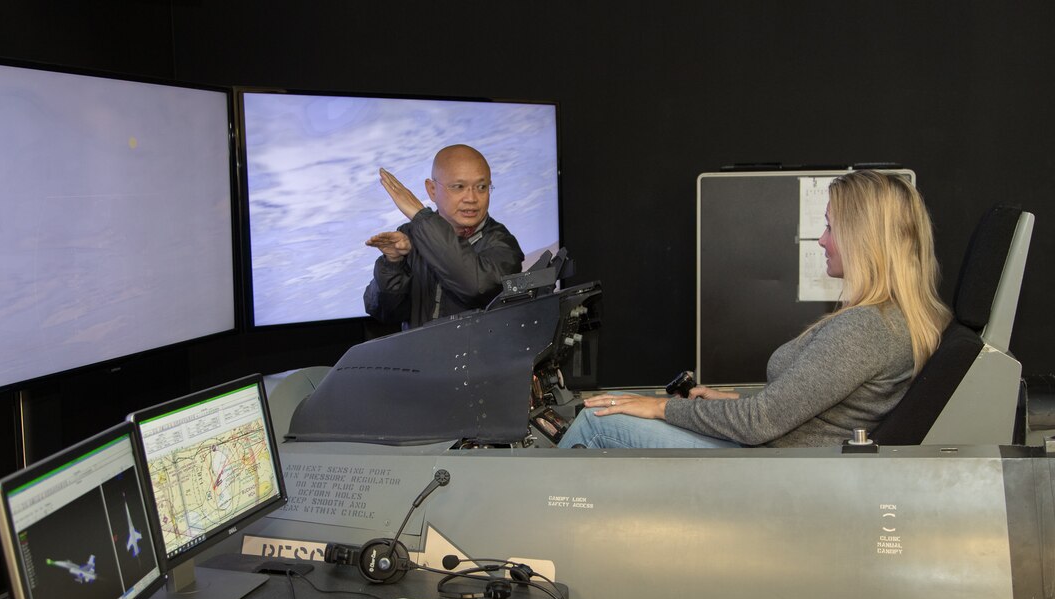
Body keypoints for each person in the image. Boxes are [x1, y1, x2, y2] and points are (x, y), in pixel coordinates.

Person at [558, 170, 952, 449]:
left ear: (861, 238)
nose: (821, 240)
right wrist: (735, 401)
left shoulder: (866, 329)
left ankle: (514, 557)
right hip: (783, 454)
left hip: (776, 470)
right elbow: (803, 409)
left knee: (596, 422)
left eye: (830, 227)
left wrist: (662, 407)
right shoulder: (895, 319)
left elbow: (760, 423)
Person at [363, 144, 524, 329]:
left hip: (476, 356)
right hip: (421, 355)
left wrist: (420, 215)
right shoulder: (410, 235)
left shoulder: (502, 243)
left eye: (481, 187)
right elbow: (384, 311)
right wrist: (393, 263)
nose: (471, 198)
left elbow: (476, 286)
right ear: (432, 190)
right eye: (459, 187)